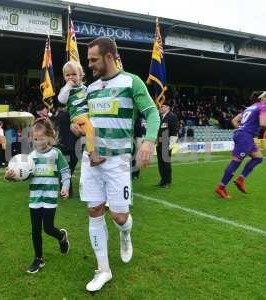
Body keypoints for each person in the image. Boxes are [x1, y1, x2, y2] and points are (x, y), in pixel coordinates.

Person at [71, 37, 160, 292]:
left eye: (93, 60)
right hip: (92, 159)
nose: (89, 65)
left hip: (118, 161)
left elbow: (152, 113)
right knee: (94, 211)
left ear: (109, 57)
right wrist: (76, 125)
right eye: (88, 60)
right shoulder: (91, 89)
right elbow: (86, 119)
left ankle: (125, 232)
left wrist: (148, 142)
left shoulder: (131, 82)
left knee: (119, 216)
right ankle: (103, 270)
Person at [5, 118, 71, 274]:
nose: (38, 142)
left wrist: (66, 187)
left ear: (49, 137)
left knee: (47, 228)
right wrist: (11, 177)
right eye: (35, 139)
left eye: (41, 138)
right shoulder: (30, 157)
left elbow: (65, 171)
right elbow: (25, 176)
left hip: (50, 197)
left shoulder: (56, 154)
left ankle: (61, 236)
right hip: (35, 198)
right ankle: (38, 259)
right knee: (35, 230)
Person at [215, 91, 266, 199]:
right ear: (263, 98)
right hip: (245, 136)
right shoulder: (263, 107)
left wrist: (241, 129)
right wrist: (244, 132)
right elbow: (263, 123)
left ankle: (240, 179)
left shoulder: (249, 108)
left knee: (258, 158)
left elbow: (234, 120)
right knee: (236, 162)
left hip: (245, 136)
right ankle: (221, 187)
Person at [58, 61, 105, 166]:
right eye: (67, 75)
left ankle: (95, 151)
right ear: (64, 77)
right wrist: (67, 86)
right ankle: (92, 155)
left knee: (92, 131)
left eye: (74, 74)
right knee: (90, 128)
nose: (71, 77)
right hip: (78, 116)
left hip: (87, 115)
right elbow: (62, 100)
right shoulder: (66, 90)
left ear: (81, 76)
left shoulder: (85, 89)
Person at [156, 101, 179, 188]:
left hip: (166, 142)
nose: (161, 108)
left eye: (163, 106)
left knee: (166, 163)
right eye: (160, 107)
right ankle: (162, 180)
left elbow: (174, 132)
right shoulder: (160, 117)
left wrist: (171, 145)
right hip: (159, 142)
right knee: (160, 163)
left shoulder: (172, 116)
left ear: (168, 108)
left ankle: (167, 181)